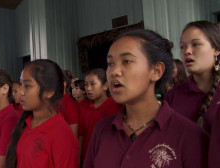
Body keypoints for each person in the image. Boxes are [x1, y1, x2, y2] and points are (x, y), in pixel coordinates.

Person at [84, 28, 209, 168]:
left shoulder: (190, 137)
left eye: (126, 61)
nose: (114, 72)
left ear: (156, 71)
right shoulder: (101, 130)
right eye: (110, 63)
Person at [5, 59, 79, 168]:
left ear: (49, 91)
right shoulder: (25, 124)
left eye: (27, 86)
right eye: (21, 84)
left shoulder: (62, 135)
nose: (20, 92)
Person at [165, 21, 220, 133]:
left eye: (196, 44)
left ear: (216, 50)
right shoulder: (173, 96)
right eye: (182, 47)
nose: (187, 51)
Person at [79, 69, 121, 164]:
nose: (88, 88)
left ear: (105, 86)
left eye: (92, 84)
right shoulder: (84, 109)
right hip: (88, 159)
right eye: (86, 85)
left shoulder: (116, 107)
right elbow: (81, 136)